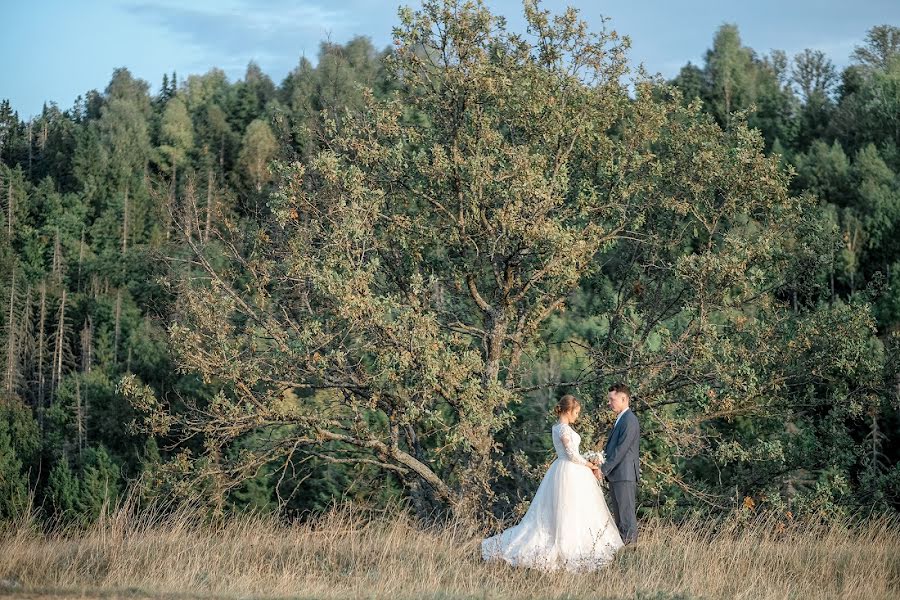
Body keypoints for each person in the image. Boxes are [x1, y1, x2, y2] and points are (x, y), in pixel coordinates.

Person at [482, 394, 623, 571]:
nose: (577, 417)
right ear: (568, 410)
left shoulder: (559, 427)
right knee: (567, 509)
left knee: (575, 509)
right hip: (568, 470)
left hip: (568, 469)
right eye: (576, 413)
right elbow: (571, 454)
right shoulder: (563, 429)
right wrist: (590, 465)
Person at [600, 382, 640, 545]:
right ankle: (624, 549)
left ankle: (631, 551)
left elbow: (621, 450)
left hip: (624, 475)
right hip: (618, 475)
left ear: (624, 399)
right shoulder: (621, 419)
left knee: (626, 517)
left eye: (612, 399)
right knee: (620, 518)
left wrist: (602, 469)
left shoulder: (629, 420)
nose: (609, 403)